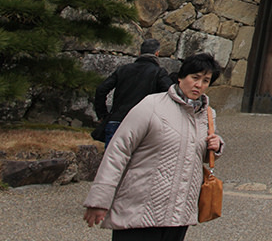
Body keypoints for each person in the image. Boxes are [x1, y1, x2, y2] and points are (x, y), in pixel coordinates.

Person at [83, 53, 224, 241]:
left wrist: (216, 147)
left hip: (178, 214)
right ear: (181, 77)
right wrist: (100, 200)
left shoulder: (206, 115)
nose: (199, 85)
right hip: (140, 210)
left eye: (206, 80)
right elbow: (118, 151)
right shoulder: (152, 106)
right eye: (195, 78)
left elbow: (195, 152)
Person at [94, 38, 173, 147]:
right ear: (157, 53)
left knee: (111, 160)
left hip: (117, 120)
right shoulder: (159, 73)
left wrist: (102, 114)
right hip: (142, 124)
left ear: (139, 53)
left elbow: (101, 90)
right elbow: (171, 93)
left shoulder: (123, 69)